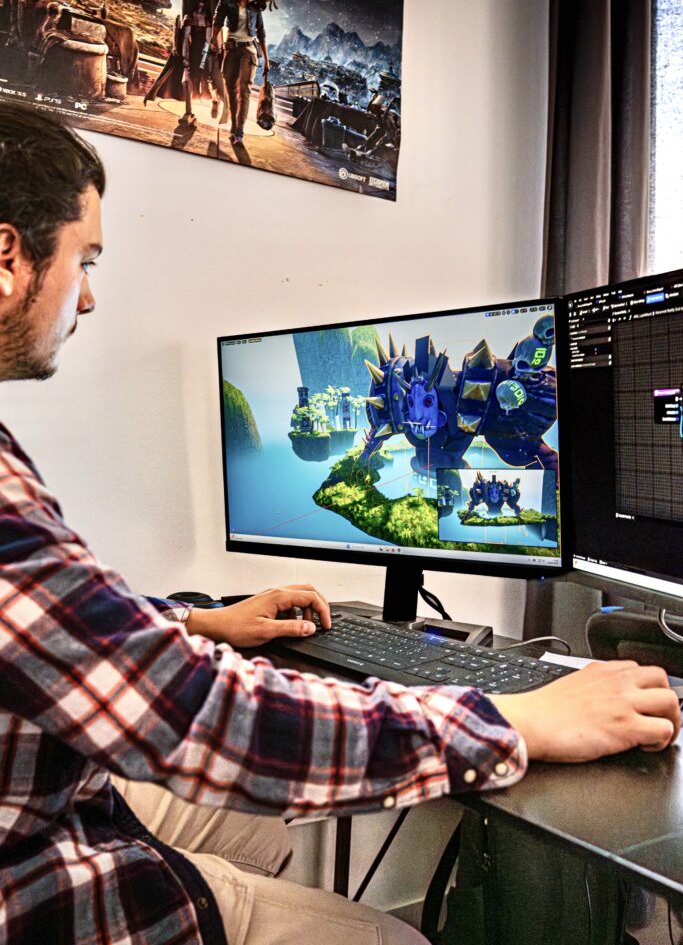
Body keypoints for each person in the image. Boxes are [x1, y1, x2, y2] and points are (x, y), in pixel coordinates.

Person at [0, 101, 679, 945]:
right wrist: (509, 721)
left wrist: (194, 622)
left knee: (255, 832)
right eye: (86, 260)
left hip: (45, 799)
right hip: (33, 883)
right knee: (395, 939)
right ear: (8, 256)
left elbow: (49, 629)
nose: (90, 296)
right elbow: (204, 717)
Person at [150, 0, 229, 127]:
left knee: (212, 70)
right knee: (186, 67)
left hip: (209, 28)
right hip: (190, 24)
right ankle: (188, 111)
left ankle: (223, 103)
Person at [211, 0, 270, 143]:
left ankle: (239, 131)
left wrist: (266, 61)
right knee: (230, 90)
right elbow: (218, 20)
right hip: (230, 49)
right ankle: (234, 124)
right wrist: (213, 39)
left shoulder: (255, 5)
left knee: (244, 90)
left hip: (249, 50)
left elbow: (261, 33)